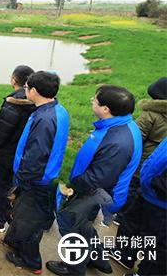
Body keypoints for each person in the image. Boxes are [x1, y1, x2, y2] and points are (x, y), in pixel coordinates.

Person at [46, 85, 142, 276]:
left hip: (94, 192)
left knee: (70, 223)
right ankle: (97, 258)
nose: (92, 101)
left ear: (106, 109)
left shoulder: (118, 142)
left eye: (95, 100)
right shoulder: (119, 125)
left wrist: (70, 189)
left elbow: (98, 178)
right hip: (98, 190)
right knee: (82, 225)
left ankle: (73, 268)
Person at [3, 71, 69, 274]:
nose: (24, 90)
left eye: (26, 88)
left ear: (34, 91)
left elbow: (35, 155)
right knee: (24, 216)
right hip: (44, 176)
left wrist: (21, 183)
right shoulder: (56, 109)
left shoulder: (45, 120)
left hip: (36, 180)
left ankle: (30, 260)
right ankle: (15, 242)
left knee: (30, 223)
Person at [0, 65, 35, 232]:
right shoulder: (34, 101)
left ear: (14, 80)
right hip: (20, 152)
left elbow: (1, 131)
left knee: (1, 186)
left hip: (5, 153)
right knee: (12, 186)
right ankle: (12, 215)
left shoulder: (14, 103)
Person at [108, 137, 166, 276]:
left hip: (162, 200)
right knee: (130, 224)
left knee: (157, 244)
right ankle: (124, 254)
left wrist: (157, 184)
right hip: (148, 190)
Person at [117, 77, 167, 222]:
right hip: (159, 165)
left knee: (132, 188)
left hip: (142, 162)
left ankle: (122, 216)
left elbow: (135, 137)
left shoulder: (150, 114)